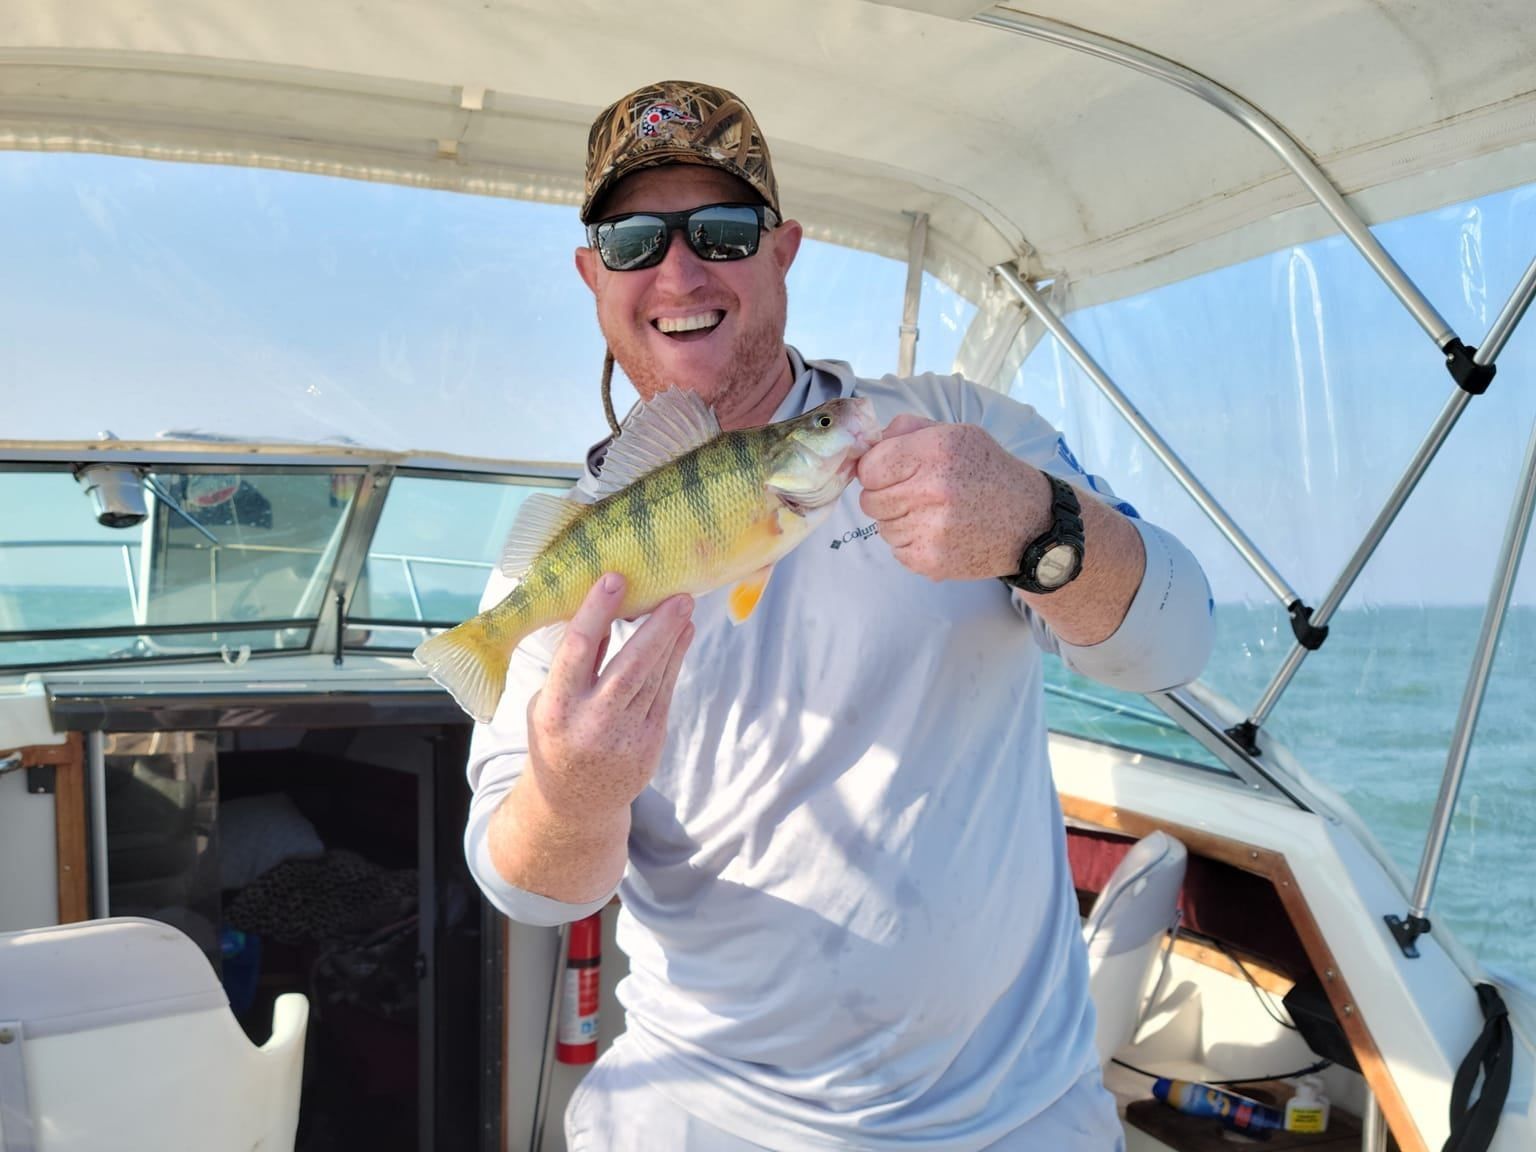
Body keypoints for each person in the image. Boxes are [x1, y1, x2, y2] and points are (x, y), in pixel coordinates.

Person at [464, 80, 1214, 1151]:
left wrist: (1041, 528)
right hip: (704, 1113)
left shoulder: (957, 430)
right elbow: (520, 883)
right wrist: (576, 799)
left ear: (784, 250)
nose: (679, 272)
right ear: (594, 276)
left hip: (1021, 1116)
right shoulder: (563, 562)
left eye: (721, 231)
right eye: (634, 240)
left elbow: (1176, 642)